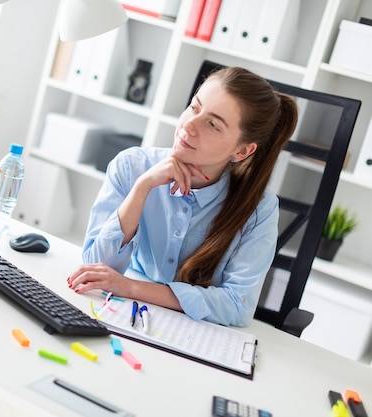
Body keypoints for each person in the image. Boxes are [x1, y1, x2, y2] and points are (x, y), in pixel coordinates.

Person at [67, 66, 298, 327]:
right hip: (120, 316)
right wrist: (142, 188)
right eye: (194, 107)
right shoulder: (133, 167)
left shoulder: (260, 208)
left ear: (243, 151)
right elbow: (95, 268)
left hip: (195, 332)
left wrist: (129, 287)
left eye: (212, 124)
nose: (189, 124)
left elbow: (238, 305)